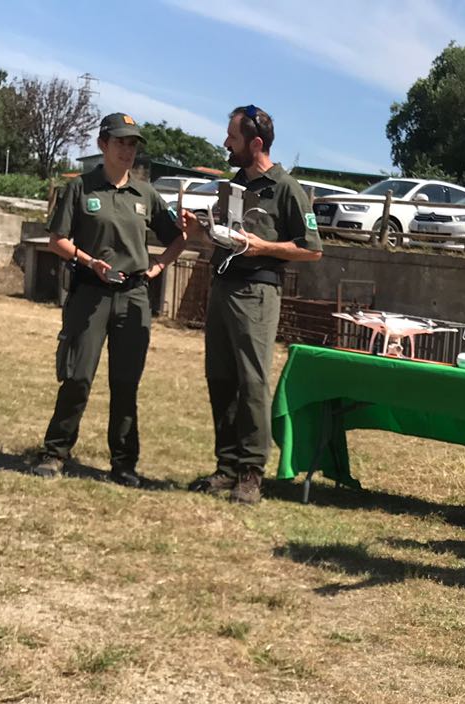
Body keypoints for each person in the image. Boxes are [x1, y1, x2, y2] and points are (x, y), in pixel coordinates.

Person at [33, 113, 187, 487]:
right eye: (120, 142)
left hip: (133, 296)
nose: (128, 150)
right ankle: (55, 452)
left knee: (125, 382)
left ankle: (123, 463)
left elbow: (178, 237)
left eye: (133, 144)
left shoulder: (146, 194)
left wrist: (159, 266)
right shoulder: (81, 188)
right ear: (103, 144)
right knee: (78, 375)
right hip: (91, 292)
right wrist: (89, 261)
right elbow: (58, 240)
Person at [184, 104, 323, 505]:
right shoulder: (233, 184)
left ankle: (251, 472)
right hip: (224, 287)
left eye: (233, 137)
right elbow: (229, 236)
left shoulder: (286, 189)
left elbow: (311, 250)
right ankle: (226, 467)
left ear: (256, 143)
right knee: (221, 378)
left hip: (257, 294)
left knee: (252, 382)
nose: (226, 143)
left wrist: (265, 247)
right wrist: (201, 229)